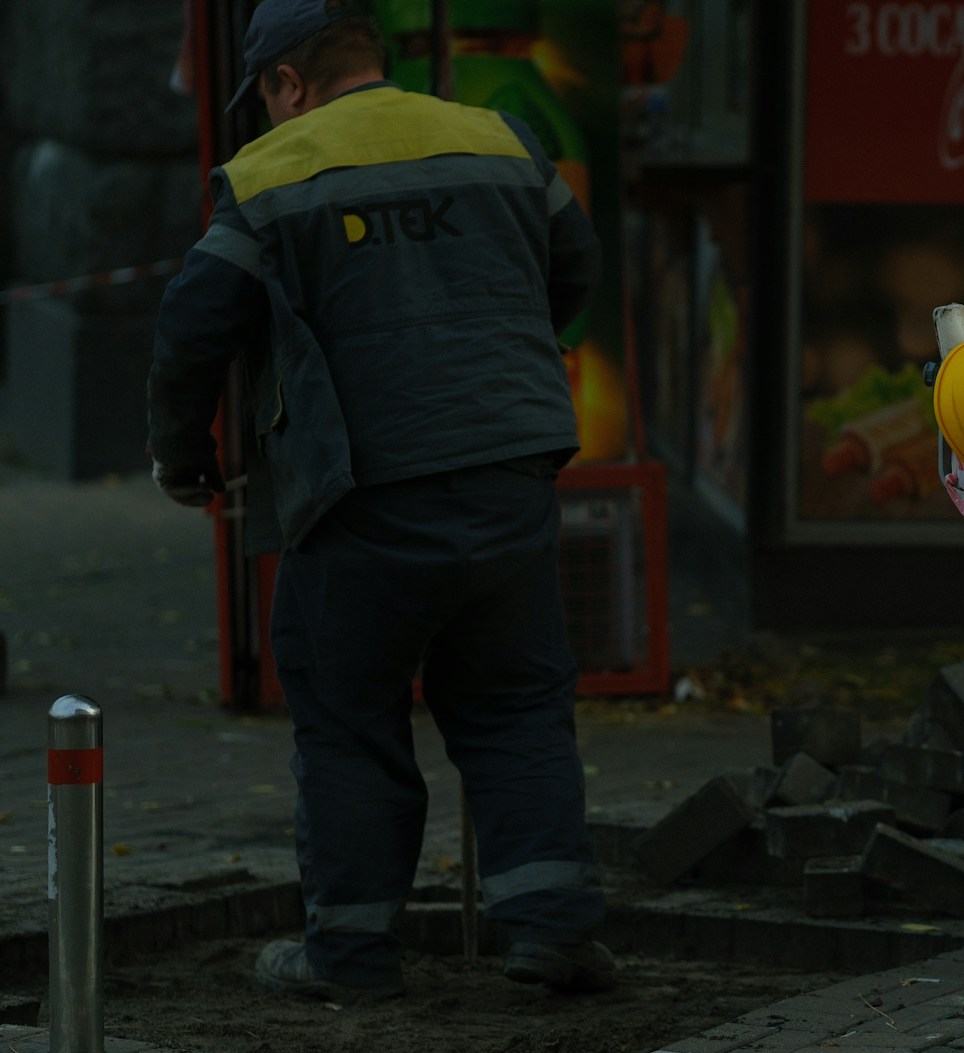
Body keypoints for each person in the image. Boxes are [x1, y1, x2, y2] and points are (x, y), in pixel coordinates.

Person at [146, 0, 614, 1000]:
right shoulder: (498, 139)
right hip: (509, 468)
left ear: (287, 84)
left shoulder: (272, 174)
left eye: (265, 98)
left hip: (361, 489)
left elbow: (192, 328)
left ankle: (349, 953)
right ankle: (555, 932)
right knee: (517, 708)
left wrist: (183, 457)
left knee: (349, 713)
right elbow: (575, 264)